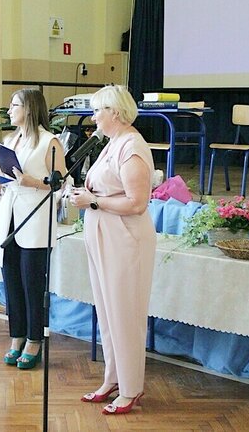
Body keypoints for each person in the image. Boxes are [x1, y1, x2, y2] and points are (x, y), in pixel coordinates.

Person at [69, 85, 156, 415]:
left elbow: (136, 203)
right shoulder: (112, 143)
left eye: (97, 111)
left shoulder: (132, 147)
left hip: (126, 239)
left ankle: (131, 389)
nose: (93, 117)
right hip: (105, 234)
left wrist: (92, 201)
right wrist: (86, 196)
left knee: (125, 314)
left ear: (115, 113)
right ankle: (113, 379)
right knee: (108, 313)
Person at [0, 89, 67, 369]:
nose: (9, 109)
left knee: (32, 283)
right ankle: (16, 336)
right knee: (12, 281)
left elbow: (62, 182)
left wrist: (35, 182)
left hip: (35, 219)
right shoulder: (10, 140)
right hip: (10, 218)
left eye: (14, 105)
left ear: (29, 108)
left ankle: (34, 340)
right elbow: (9, 179)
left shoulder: (49, 141)